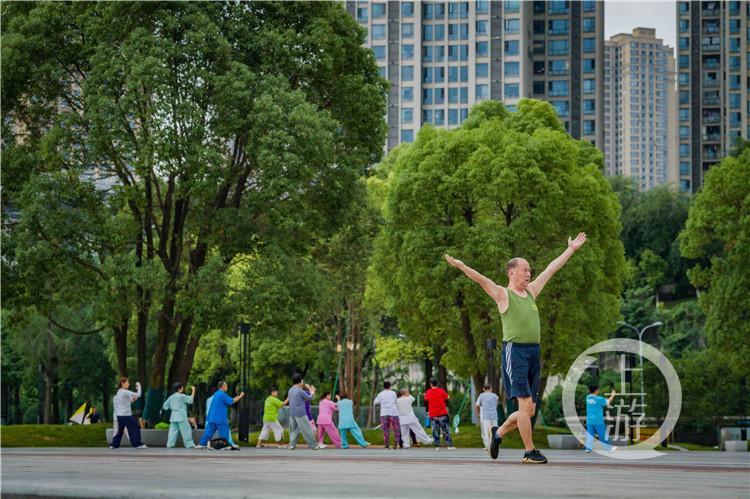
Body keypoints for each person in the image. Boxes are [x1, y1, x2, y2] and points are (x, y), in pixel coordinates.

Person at [445, 232, 588, 464]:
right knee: (523, 405)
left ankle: (498, 433)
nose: (529, 273)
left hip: (534, 353)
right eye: (525, 270)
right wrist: (461, 266)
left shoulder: (531, 292)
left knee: (528, 411)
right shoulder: (503, 294)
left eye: (530, 270)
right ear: (512, 272)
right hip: (516, 352)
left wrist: (570, 249)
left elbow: (551, 269)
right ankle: (529, 451)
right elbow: (481, 279)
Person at [197, 381, 244, 450]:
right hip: (220, 418)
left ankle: (201, 444)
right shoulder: (222, 394)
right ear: (223, 387)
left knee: (208, 432)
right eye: (226, 386)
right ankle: (227, 445)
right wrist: (240, 396)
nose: (227, 387)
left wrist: (235, 398)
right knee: (224, 432)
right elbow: (231, 401)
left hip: (212, 417)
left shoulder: (216, 394)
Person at [110, 378, 147, 449]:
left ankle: (114, 444)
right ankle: (137, 444)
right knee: (135, 428)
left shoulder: (119, 392)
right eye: (127, 382)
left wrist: (134, 397)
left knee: (120, 430)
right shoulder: (125, 392)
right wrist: (139, 385)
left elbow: (131, 400)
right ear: (123, 383)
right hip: (126, 415)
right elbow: (139, 394)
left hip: (119, 415)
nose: (129, 384)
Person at [287, 374, 320, 450]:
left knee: (293, 430)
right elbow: (309, 398)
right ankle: (314, 445)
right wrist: (312, 391)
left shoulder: (290, 390)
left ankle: (292, 445)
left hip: (292, 413)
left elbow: (298, 399)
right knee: (307, 429)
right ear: (300, 381)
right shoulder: (300, 391)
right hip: (300, 413)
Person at [162, 383, 196, 449]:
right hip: (181, 416)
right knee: (186, 430)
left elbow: (165, 406)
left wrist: (173, 407)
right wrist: (193, 390)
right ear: (179, 388)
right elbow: (191, 400)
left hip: (173, 416)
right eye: (182, 388)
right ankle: (189, 445)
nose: (183, 389)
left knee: (172, 431)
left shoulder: (171, 397)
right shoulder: (182, 396)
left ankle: (170, 444)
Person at [424, 378, 455, 450]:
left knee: (435, 430)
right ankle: (449, 444)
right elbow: (448, 397)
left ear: (430, 384)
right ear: (437, 383)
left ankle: (437, 444)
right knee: (446, 429)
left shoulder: (428, 392)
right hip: (442, 413)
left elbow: (426, 399)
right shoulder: (441, 391)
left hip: (433, 414)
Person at [585, 385, 618, 453]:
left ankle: (588, 448)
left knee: (590, 435)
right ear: (596, 391)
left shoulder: (587, 398)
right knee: (603, 435)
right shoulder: (598, 398)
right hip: (598, 420)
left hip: (590, 420)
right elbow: (607, 402)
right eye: (598, 390)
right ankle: (608, 448)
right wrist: (613, 395)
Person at [374, 381, 401, 449]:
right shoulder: (393, 393)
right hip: (393, 412)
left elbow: (375, 402)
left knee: (385, 429)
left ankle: (386, 444)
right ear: (390, 386)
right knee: (396, 428)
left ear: (383, 386)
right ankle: (395, 443)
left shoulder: (381, 394)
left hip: (384, 412)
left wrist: (381, 403)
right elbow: (396, 402)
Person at [475, 384, 499, 451]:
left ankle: (487, 446)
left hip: (485, 415)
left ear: (483, 389)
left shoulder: (481, 396)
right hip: (494, 415)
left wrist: (478, 414)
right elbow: (496, 404)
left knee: (486, 431)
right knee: (495, 430)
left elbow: (477, 405)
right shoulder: (495, 396)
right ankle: (495, 445)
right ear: (491, 388)